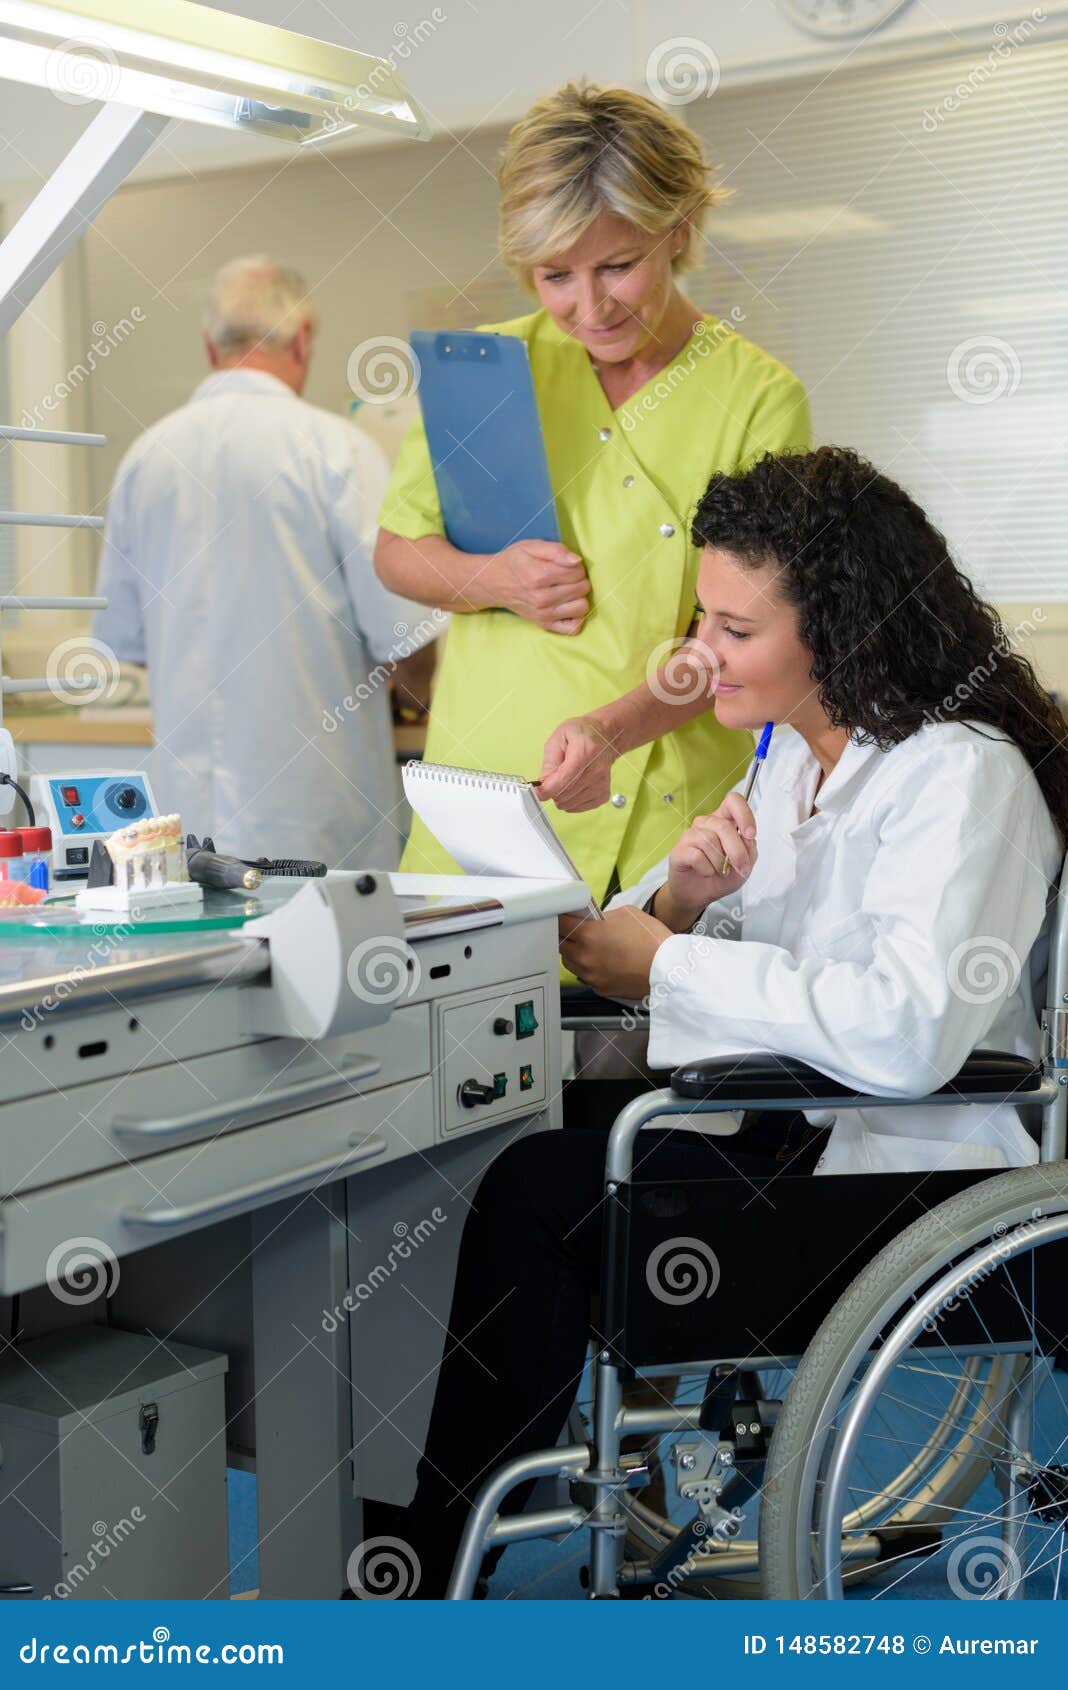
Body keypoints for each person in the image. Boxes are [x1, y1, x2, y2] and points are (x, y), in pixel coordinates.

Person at [368, 446, 1068, 1597]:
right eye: (705, 618)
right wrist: (682, 905)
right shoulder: (796, 754)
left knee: (535, 1190)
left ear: (836, 630)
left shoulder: (961, 775)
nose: (699, 656)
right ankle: (428, 1515)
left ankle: (423, 1562)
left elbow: (903, 1033)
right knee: (476, 1141)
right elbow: (686, 961)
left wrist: (676, 955)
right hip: (787, 1123)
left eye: (735, 631)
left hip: (899, 1177)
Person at [375, 82, 811, 907]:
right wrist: (496, 580)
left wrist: (611, 732)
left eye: (619, 265)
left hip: (660, 823)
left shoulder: (758, 399)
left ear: (677, 232)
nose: (589, 306)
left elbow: (740, 635)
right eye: (554, 275)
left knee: (620, 1031)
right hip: (478, 811)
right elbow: (397, 551)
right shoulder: (485, 371)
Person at [94, 255, 435, 867]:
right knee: (332, 959)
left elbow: (129, 642)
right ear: (303, 336)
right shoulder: (338, 450)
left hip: (185, 827)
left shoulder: (145, 458)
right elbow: (406, 639)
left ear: (209, 344)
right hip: (317, 818)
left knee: (205, 961)